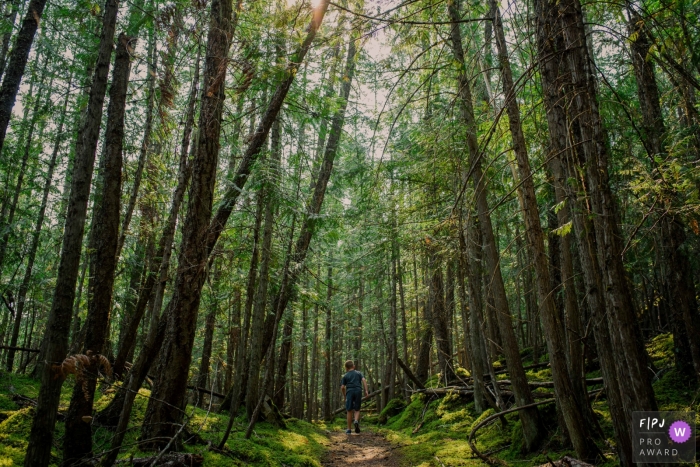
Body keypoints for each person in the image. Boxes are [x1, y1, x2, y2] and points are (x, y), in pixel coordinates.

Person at [340, 359, 369, 434]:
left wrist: (344, 395)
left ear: (346, 368)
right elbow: (364, 380)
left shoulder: (345, 376)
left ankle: (349, 429)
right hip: (358, 391)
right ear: (354, 366)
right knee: (357, 409)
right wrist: (366, 390)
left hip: (349, 392)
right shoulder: (359, 373)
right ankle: (356, 420)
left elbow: (342, 387)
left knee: (349, 410)